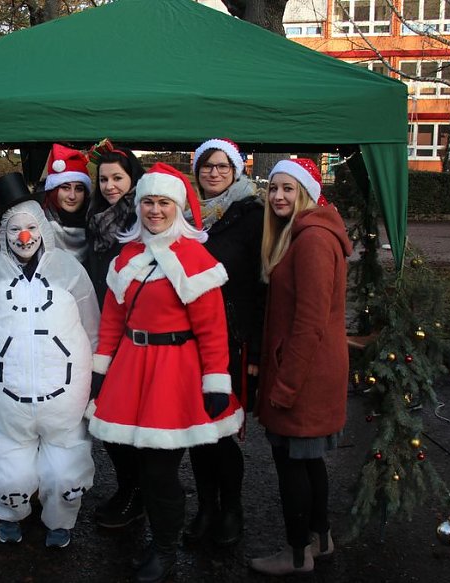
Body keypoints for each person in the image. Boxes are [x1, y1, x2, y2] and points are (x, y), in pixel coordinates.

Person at [87, 163, 244, 583]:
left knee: (159, 471)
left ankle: (166, 551)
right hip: (133, 369)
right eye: (148, 202)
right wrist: (100, 369)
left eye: (163, 203)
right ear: (138, 207)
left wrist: (216, 380)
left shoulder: (196, 257)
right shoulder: (127, 255)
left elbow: (213, 329)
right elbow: (111, 321)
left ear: (178, 207)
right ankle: (159, 541)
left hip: (176, 374)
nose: (155, 211)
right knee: (143, 466)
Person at [0, 172, 99, 548]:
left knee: (65, 470)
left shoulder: (68, 269)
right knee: (10, 470)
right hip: (10, 399)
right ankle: (11, 512)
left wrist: (88, 382)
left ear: (42, 229)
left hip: (63, 398)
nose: (23, 237)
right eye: (15, 229)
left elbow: (90, 326)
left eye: (31, 227)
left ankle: (60, 520)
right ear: (3, 233)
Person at [249, 158, 351, 576]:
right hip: (308, 369)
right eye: (273, 189)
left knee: (292, 464)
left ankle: (296, 555)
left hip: (304, 375)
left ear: (306, 192)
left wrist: (285, 387)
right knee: (309, 462)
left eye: (288, 189)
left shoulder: (312, 241)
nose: (278, 197)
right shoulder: (307, 234)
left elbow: (309, 325)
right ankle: (321, 539)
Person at [185, 138, 265, 546]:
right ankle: (206, 509)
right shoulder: (188, 215)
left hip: (232, 338)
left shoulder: (251, 214)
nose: (214, 173)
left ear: (236, 170)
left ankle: (231, 510)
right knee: (198, 428)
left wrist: (255, 347)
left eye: (222, 166)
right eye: (206, 166)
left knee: (221, 428)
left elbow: (259, 284)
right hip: (191, 338)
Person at [83, 139, 147, 529]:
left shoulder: (138, 222)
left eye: (117, 178)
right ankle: (129, 489)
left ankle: (136, 494)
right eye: (103, 179)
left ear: (132, 180)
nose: (109, 186)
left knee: (127, 422)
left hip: (130, 337)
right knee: (106, 419)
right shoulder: (98, 221)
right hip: (101, 333)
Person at [41, 144, 91, 263]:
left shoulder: (97, 226)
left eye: (79, 189)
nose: (72, 196)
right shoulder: (38, 227)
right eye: (65, 188)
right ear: (54, 190)